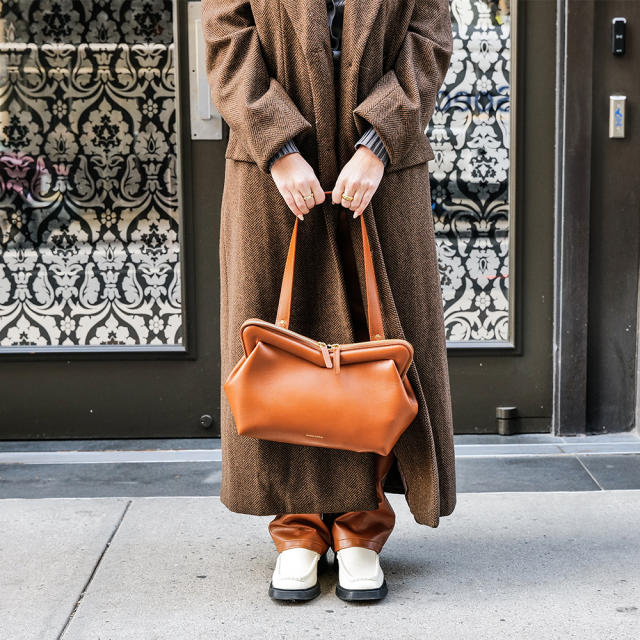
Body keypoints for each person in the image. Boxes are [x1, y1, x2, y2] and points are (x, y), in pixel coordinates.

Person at [202, 0, 456, 603]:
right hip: (272, 174)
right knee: (281, 352)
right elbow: (226, 37)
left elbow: (429, 40)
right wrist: (278, 146)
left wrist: (378, 142)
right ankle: (297, 531)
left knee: (376, 345)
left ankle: (361, 527)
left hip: (382, 172)